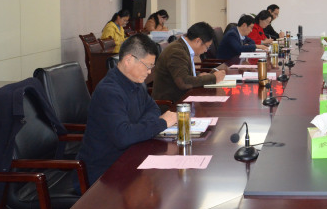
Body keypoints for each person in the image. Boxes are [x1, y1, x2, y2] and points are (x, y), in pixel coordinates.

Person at [77, 34, 177, 185]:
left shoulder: (137, 83)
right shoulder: (109, 92)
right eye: (148, 66)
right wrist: (161, 123)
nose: (150, 72)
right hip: (104, 172)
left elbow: (153, 109)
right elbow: (124, 137)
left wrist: (136, 128)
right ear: (129, 60)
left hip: (130, 156)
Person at [151, 22, 227, 107]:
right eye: (207, 47)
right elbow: (184, 82)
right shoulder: (177, 52)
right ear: (198, 41)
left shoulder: (182, 47)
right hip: (171, 105)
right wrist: (213, 78)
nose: (206, 50)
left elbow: (182, 73)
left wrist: (198, 75)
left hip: (183, 99)